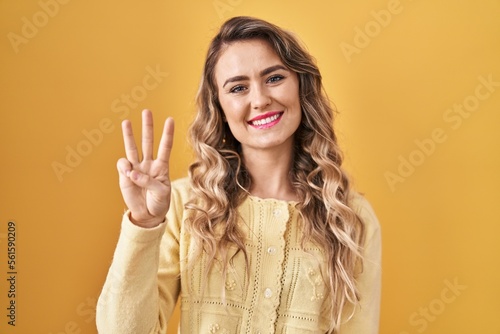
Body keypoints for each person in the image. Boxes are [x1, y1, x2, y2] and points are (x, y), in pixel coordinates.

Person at [96, 16, 381, 334]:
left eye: (274, 78)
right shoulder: (183, 205)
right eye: (238, 87)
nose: (259, 100)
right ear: (219, 106)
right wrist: (144, 224)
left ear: (301, 85)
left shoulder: (351, 218)